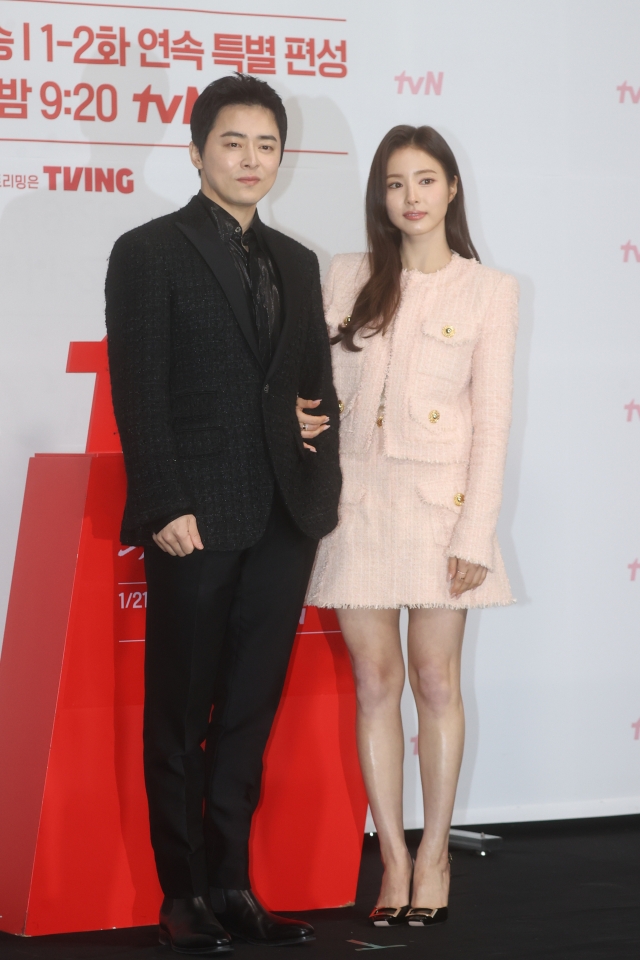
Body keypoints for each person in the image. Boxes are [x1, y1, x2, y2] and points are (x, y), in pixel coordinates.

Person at [105, 74, 341, 954]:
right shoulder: (149, 250)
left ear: (282, 156)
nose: (250, 159)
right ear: (198, 148)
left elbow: (311, 385)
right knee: (180, 709)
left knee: (247, 709)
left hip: (281, 517)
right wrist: (163, 500)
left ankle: (234, 884)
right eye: (233, 142)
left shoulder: (298, 260)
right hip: (195, 518)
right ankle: (182, 894)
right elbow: (139, 386)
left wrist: (312, 450)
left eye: (266, 145)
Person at [306, 125, 518, 928]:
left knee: (435, 682)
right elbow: (317, 386)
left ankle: (435, 854)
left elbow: (492, 422)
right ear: (380, 197)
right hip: (355, 508)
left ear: (452, 188)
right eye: (395, 184)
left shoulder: (488, 289)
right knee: (375, 685)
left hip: (441, 516)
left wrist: (476, 533)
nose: (411, 198)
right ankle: (391, 855)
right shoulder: (348, 275)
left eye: (425, 180)